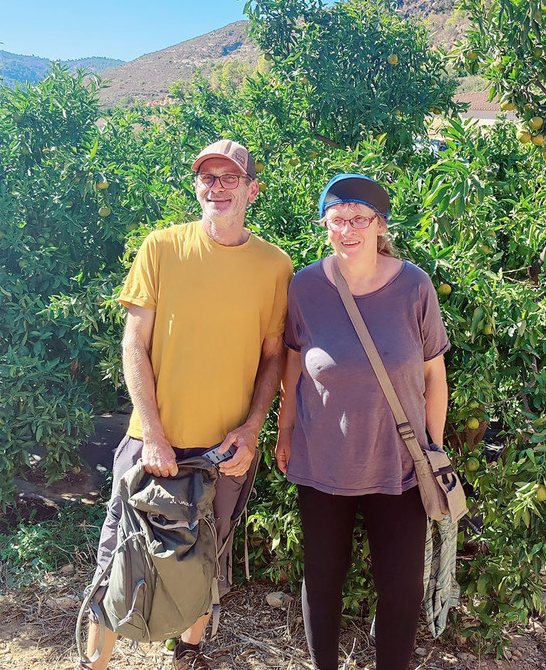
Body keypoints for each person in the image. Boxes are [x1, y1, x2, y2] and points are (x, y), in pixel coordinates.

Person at [84, 139, 293, 670]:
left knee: (207, 560)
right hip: (152, 441)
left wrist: (251, 430)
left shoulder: (275, 265)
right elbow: (134, 344)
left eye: (229, 178)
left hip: (223, 452)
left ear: (252, 189)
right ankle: (94, 664)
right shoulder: (162, 246)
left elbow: (273, 357)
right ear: (196, 185)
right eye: (207, 177)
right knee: (120, 557)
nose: (217, 187)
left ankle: (188, 654)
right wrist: (152, 433)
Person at [275, 174, 449, 670]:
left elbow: (435, 374)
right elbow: (292, 361)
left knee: (400, 587)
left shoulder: (414, 285)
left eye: (359, 218)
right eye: (337, 219)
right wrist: (284, 430)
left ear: (379, 225)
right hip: (323, 460)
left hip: (399, 465)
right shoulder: (305, 287)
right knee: (323, 576)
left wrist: (433, 447)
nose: (347, 230)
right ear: (325, 225)